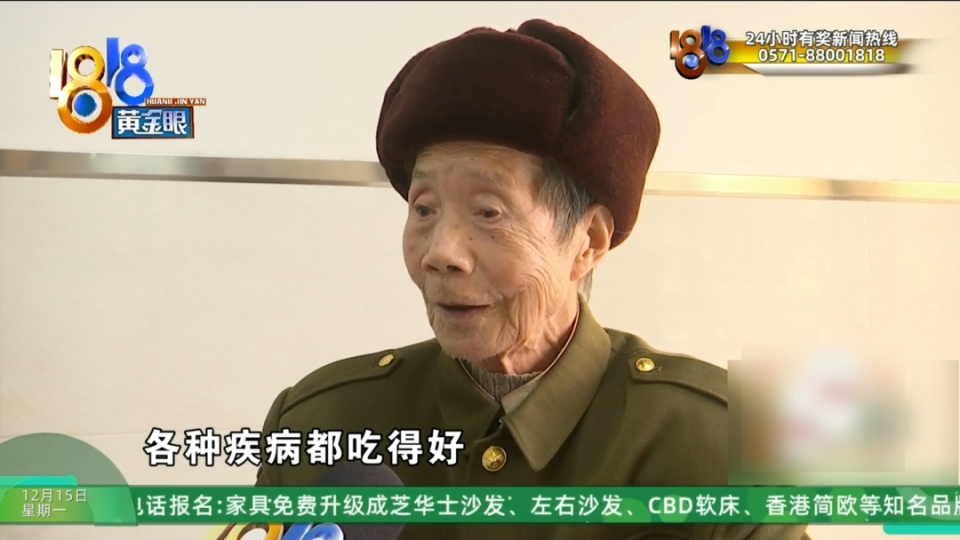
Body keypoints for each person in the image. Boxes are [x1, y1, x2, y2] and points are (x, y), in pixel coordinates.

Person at [256, 19, 811, 540]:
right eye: (424, 208)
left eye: (488, 212)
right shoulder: (315, 424)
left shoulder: (728, 441)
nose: (441, 253)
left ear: (588, 241)